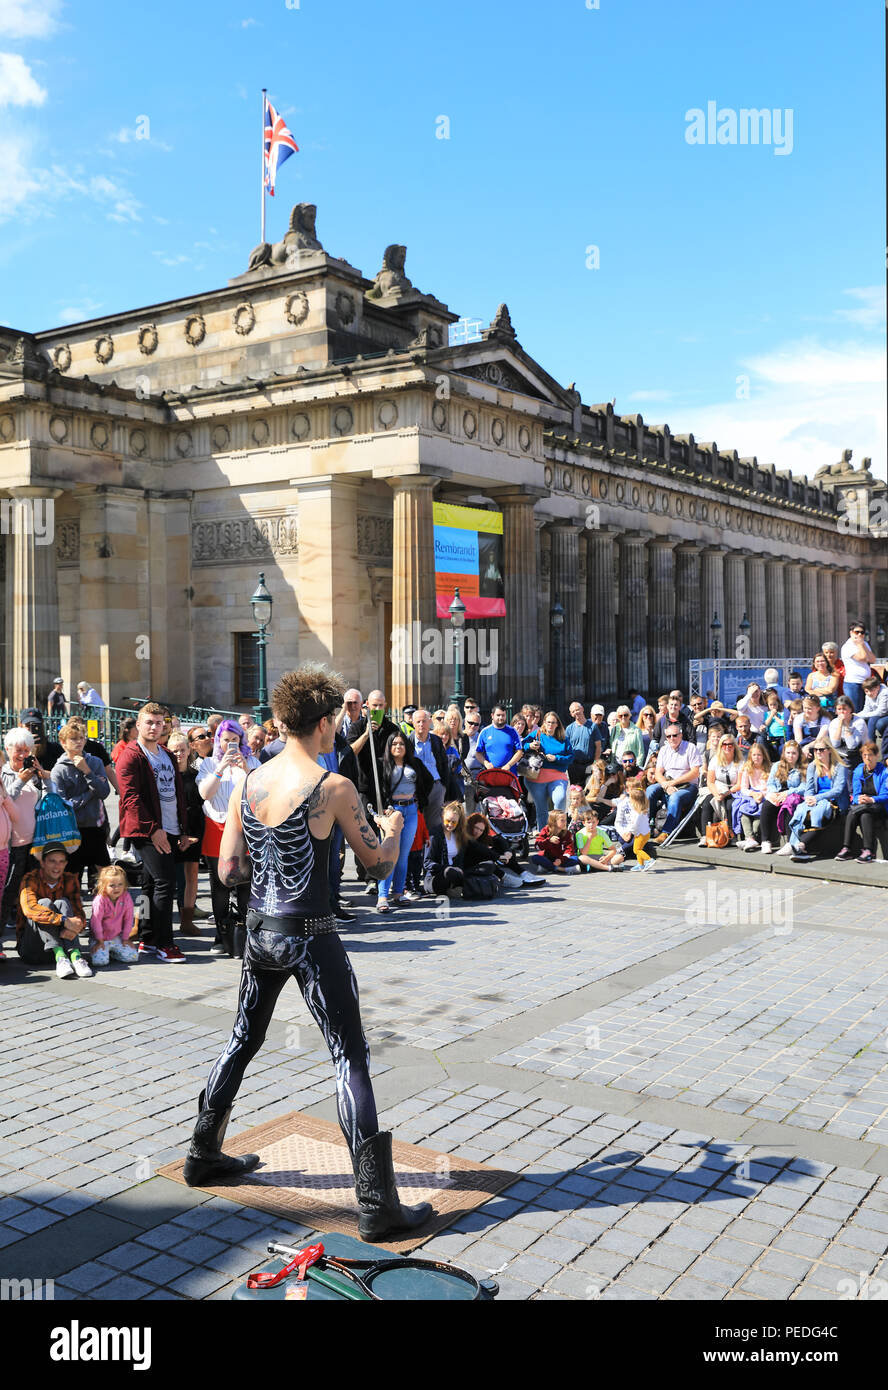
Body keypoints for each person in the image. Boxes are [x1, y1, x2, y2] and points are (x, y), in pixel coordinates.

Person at [182, 665, 432, 1243]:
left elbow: (227, 869)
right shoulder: (332, 786)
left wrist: (264, 873)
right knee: (349, 1056)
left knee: (243, 1037)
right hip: (312, 933)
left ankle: (203, 1151)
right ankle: (375, 1203)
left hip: (260, 931)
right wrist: (392, 828)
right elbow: (380, 866)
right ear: (322, 724)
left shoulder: (250, 781)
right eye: (334, 724)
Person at [116, 702, 189, 963]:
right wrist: (153, 830)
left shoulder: (167, 755)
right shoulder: (131, 755)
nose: (155, 727)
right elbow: (131, 798)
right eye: (149, 722)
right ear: (138, 725)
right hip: (147, 830)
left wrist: (181, 829)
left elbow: (178, 794)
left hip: (169, 828)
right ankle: (164, 943)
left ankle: (147, 938)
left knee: (150, 884)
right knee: (165, 883)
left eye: (159, 723)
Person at [197, 720, 260, 957]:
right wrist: (220, 768)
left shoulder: (253, 762)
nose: (230, 744)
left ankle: (245, 934)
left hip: (245, 828)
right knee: (220, 884)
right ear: (218, 741)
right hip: (217, 827)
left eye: (235, 740)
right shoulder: (209, 763)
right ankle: (221, 935)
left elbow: (260, 794)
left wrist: (245, 769)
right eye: (226, 740)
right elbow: (205, 793)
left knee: (245, 883)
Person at [375, 731, 433, 913]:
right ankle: (382, 896)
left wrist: (420, 800)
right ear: (389, 747)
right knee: (389, 854)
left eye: (401, 744)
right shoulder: (381, 764)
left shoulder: (414, 763)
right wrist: (385, 807)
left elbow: (428, 781)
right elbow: (376, 788)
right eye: (394, 744)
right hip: (393, 812)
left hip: (411, 810)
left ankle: (398, 893)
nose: (398, 747)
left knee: (403, 855)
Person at [50, 721, 112, 890]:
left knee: (106, 874)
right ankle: (74, 910)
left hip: (95, 825)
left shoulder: (95, 762)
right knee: (72, 877)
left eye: (82, 738)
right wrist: (89, 793)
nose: (79, 742)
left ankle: (110, 911)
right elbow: (63, 805)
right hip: (73, 830)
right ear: (63, 742)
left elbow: (104, 792)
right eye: (73, 739)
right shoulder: (59, 770)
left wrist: (87, 771)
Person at [1, 727, 52, 927]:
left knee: (33, 890)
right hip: (12, 844)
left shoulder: (33, 773)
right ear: (7, 749)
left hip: (35, 841)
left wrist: (44, 776)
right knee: (8, 891)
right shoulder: (3, 774)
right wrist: (20, 781)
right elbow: (5, 798)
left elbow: (49, 798)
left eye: (27, 751)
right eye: (19, 750)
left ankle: (32, 933)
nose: (23, 755)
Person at [17, 843, 92, 977]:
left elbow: (79, 914)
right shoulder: (30, 878)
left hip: (65, 943)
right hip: (34, 950)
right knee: (44, 903)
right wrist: (63, 920)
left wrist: (74, 926)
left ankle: (75, 957)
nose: (57, 866)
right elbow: (30, 909)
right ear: (43, 862)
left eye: (61, 862)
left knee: (63, 902)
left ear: (65, 863)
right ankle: (60, 956)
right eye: (52, 861)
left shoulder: (70, 879)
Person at [780, 741, 850, 861]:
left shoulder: (840, 766)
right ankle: (798, 846)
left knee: (819, 812)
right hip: (816, 800)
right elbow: (809, 788)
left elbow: (837, 790)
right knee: (801, 810)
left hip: (834, 802)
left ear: (829, 750)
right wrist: (809, 798)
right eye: (815, 749)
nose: (818, 752)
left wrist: (816, 798)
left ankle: (800, 846)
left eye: (821, 749)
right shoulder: (813, 766)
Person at [168, 731, 205, 936]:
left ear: (189, 750)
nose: (179, 754)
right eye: (174, 751)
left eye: (182, 750)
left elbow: (199, 806)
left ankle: (187, 920)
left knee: (192, 875)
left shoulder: (197, 774)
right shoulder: (166, 775)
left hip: (194, 830)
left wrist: (193, 835)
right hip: (172, 831)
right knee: (166, 876)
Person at [647, 723, 701, 843]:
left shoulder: (690, 748)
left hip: (687, 785)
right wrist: (666, 786)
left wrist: (673, 783)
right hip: (668, 782)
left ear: (681, 735)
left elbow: (695, 773)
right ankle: (646, 825)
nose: (672, 738)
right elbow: (658, 773)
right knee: (650, 790)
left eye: (674, 735)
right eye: (668, 736)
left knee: (675, 797)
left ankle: (666, 832)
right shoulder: (664, 750)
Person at [836, 743, 888, 864]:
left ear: (877, 756)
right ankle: (848, 848)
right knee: (862, 814)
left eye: (870, 755)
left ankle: (868, 851)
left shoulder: (884, 772)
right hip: (863, 805)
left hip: (879, 806)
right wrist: (859, 799)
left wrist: (871, 800)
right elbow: (855, 792)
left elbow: (885, 796)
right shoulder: (859, 769)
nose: (867, 758)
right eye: (864, 755)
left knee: (857, 810)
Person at [522, 711, 572, 829]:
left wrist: (556, 758)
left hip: (557, 776)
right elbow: (521, 746)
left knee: (559, 799)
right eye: (548, 722)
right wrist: (530, 746)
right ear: (544, 722)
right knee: (542, 810)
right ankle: (544, 838)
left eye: (553, 723)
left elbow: (570, 757)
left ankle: (559, 831)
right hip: (535, 777)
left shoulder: (563, 739)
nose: (550, 725)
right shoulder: (537, 734)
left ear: (557, 725)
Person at [409, 708, 453, 832]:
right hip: (416, 788)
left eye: (424, 721)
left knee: (434, 825)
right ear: (413, 723)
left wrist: (443, 785)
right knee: (417, 823)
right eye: (418, 722)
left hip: (436, 786)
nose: (421, 724)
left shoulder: (436, 740)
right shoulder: (408, 742)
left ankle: (432, 850)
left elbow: (444, 764)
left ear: (430, 723)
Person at [88, 863, 139, 966]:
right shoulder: (100, 900)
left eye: (120, 884)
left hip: (117, 936)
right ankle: (101, 951)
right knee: (100, 962)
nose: (117, 888)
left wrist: (125, 938)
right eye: (112, 885)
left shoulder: (126, 897)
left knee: (133, 957)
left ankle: (112, 953)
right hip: (100, 937)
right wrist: (99, 940)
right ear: (103, 886)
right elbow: (96, 921)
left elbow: (128, 919)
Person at [759, 741, 804, 854]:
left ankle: (790, 843)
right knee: (767, 805)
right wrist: (775, 794)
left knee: (789, 805)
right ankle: (765, 841)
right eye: (788, 753)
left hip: (794, 796)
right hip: (778, 795)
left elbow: (804, 786)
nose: (790, 756)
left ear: (798, 754)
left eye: (794, 753)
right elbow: (770, 783)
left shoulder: (803, 767)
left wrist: (787, 793)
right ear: (784, 753)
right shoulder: (777, 765)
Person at [698, 733, 743, 843]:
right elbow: (710, 781)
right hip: (718, 787)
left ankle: (731, 834)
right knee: (707, 803)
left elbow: (739, 784)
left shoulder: (740, 761)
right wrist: (716, 794)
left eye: (730, 744)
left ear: (734, 746)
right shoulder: (715, 760)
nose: (727, 747)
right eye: (724, 744)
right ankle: (705, 835)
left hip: (733, 790)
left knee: (730, 805)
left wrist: (726, 794)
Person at [734, 742, 771, 850]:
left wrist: (761, 794)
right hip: (752, 793)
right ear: (750, 756)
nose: (756, 757)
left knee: (760, 810)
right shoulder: (747, 768)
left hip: (765, 794)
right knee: (742, 808)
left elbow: (771, 786)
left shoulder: (769, 768)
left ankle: (750, 839)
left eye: (759, 755)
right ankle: (750, 838)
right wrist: (753, 794)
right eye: (754, 755)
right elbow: (744, 787)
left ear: (763, 756)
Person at [476, 704, 524, 774]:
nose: (501, 718)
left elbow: (519, 752)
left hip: (509, 774)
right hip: (490, 774)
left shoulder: (513, 731)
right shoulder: (484, 732)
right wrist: (486, 763)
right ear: (492, 716)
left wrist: (509, 765)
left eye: (503, 715)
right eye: (498, 715)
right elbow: (478, 753)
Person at [840, 622, 876, 713]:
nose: (860, 634)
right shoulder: (847, 646)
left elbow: (872, 659)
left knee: (866, 711)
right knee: (855, 711)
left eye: (862, 632)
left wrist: (863, 645)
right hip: (853, 683)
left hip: (866, 683)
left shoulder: (865, 644)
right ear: (851, 633)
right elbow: (862, 658)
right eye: (857, 632)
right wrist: (860, 644)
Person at [529, 810, 580, 874]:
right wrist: (549, 841)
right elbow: (537, 846)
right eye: (562, 820)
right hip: (547, 858)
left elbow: (569, 850)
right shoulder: (545, 830)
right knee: (535, 858)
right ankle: (562, 869)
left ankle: (547, 867)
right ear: (554, 822)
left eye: (565, 820)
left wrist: (561, 860)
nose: (565, 822)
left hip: (561, 859)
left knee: (576, 859)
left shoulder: (567, 834)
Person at [575, 807, 622, 871]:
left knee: (619, 857)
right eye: (588, 822)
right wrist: (590, 838)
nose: (591, 825)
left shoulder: (601, 833)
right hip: (588, 857)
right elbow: (583, 853)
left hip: (599, 857)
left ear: (597, 822)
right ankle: (607, 868)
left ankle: (596, 866)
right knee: (582, 858)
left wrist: (606, 858)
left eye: (593, 822)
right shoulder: (580, 834)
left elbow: (613, 850)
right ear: (584, 823)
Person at [565, 702, 601, 784]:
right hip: (573, 765)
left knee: (588, 790)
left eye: (577, 709)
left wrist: (595, 763)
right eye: (573, 711)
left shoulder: (593, 726)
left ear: (582, 709)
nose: (576, 712)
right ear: (571, 714)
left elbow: (598, 747)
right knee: (575, 791)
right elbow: (566, 747)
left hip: (589, 764)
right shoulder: (569, 729)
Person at [828, 696, 868, 772]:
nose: (842, 712)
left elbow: (852, 746)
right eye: (839, 709)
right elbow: (835, 744)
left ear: (851, 710)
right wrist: (840, 725)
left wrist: (846, 725)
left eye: (844, 709)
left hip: (858, 753)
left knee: (846, 764)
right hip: (842, 753)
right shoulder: (834, 723)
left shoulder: (859, 722)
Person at [861, 675, 888, 748]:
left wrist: (865, 715)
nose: (869, 693)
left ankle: (871, 747)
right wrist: (857, 716)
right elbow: (866, 709)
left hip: (884, 713)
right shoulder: (868, 695)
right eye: (866, 691)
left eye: (872, 690)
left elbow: (881, 711)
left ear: (878, 687)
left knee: (878, 722)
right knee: (864, 720)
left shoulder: (884, 693)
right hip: (881, 714)